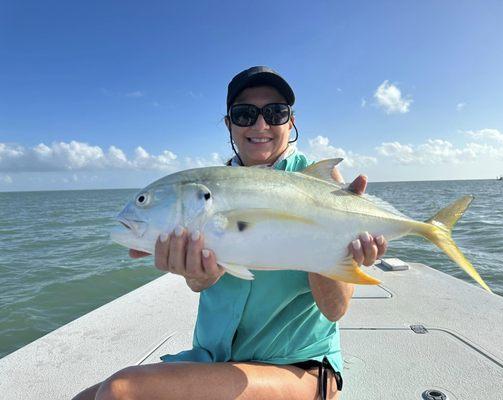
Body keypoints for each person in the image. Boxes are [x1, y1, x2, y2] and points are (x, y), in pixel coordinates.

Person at [74, 66, 387, 400]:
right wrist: (197, 274)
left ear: (291, 122)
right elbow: (201, 283)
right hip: (215, 363)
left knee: (119, 392)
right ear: (229, 124)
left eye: (276, 113)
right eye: (244, 114)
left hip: (299, 369)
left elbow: (335, 310)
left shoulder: (317, 181)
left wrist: (324, 228)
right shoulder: (211, 187)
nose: (261, 125)